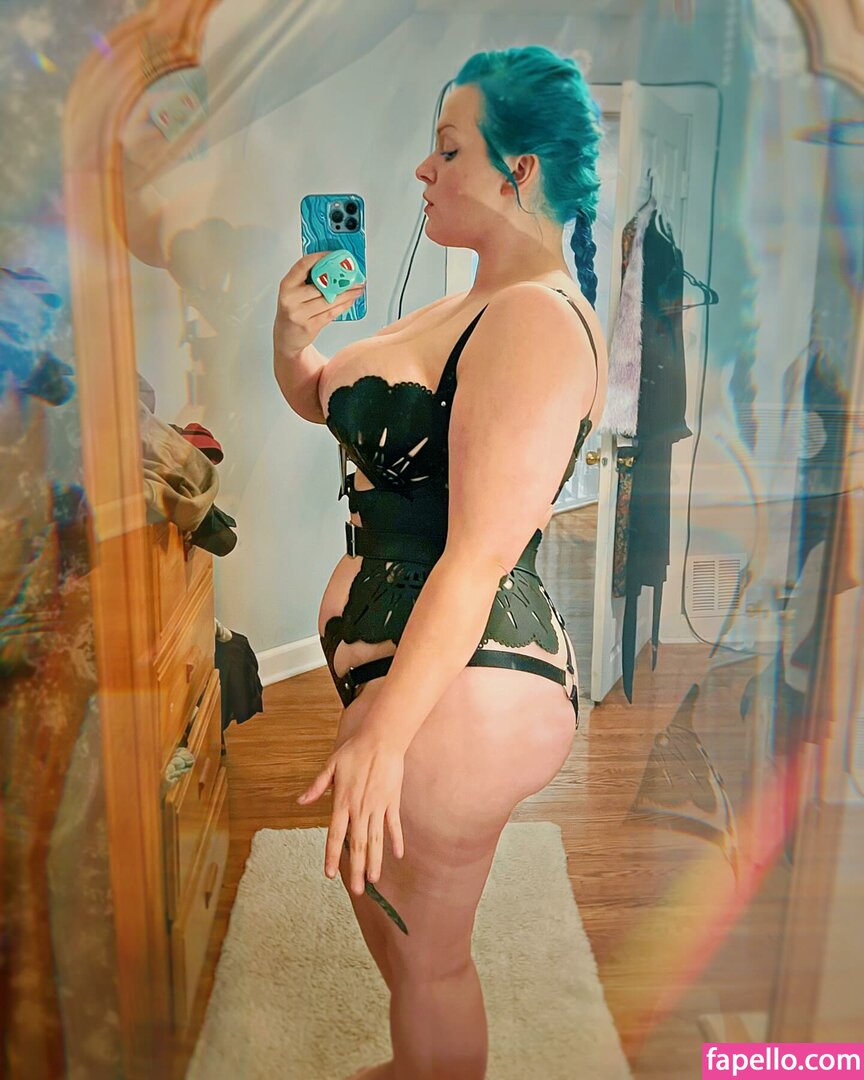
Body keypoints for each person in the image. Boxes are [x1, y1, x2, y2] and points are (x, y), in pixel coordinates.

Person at [272, 45, 608, 1080]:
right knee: (387, 908)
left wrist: (384, 736)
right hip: (420, 671)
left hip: (466, 686)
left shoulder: (534, 321)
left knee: (432, 960)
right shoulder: (472, 301)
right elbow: (327, 399)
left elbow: (478, 557)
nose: (424, 169)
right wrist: (292, 337)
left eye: (449, 149)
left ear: (520, 172)